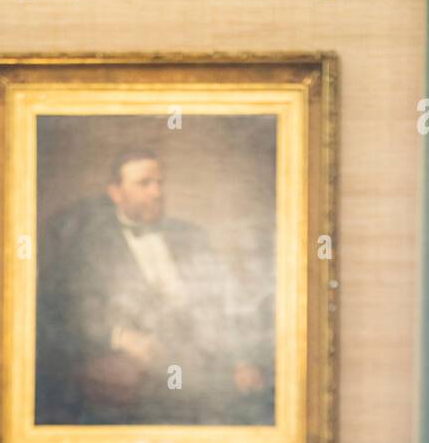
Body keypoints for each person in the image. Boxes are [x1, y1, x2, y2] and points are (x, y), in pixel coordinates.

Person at [35, 148, 272, 425]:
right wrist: (120, 336)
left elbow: (226, 301)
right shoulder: (88, 245)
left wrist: (241, 360)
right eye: (144, 184)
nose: (157, 192)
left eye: (160, 183)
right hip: (145, 367)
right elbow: (72, 313)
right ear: (116, 192)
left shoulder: (191, 235)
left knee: (258, 409)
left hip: (208, 359)